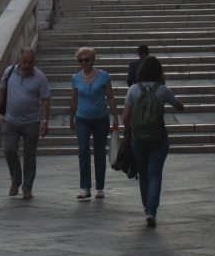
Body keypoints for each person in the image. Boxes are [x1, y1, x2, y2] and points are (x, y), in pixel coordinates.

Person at [122, 55, 184, 228]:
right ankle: (151, 210)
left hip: (138, 137)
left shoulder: (133, 90)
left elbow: (126, 116)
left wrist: (128, 130)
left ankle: (146, 206)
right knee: (155, 173)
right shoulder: (162, 90)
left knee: (143, 172)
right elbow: (179, 105)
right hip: (158, 136)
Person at [0, 49, 51, 199]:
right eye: (24, 62)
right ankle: (15, 180)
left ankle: (27, 187)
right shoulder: (9, 72)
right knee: (9, 150)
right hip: (11, 120)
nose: (27, 65)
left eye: (30, 62)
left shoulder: (40, 77)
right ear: (19, 60)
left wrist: (44, 121)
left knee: (30, 156)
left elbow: (45, 100)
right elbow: (1, 92)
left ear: (34, 62)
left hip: (31, 121)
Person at [70, 47, 120, 199]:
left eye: (86, 60)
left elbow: (110, 97)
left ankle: (100, 187)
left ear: (93, 60)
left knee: (99, 152)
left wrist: (115, 116)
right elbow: (74, 99)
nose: (84, 63)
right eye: (81, 60)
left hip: (100, 118)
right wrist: (71, 117)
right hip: (82, 118)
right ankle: (85, 187)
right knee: (83, 150)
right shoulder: (76, 78)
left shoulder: (104, 76)